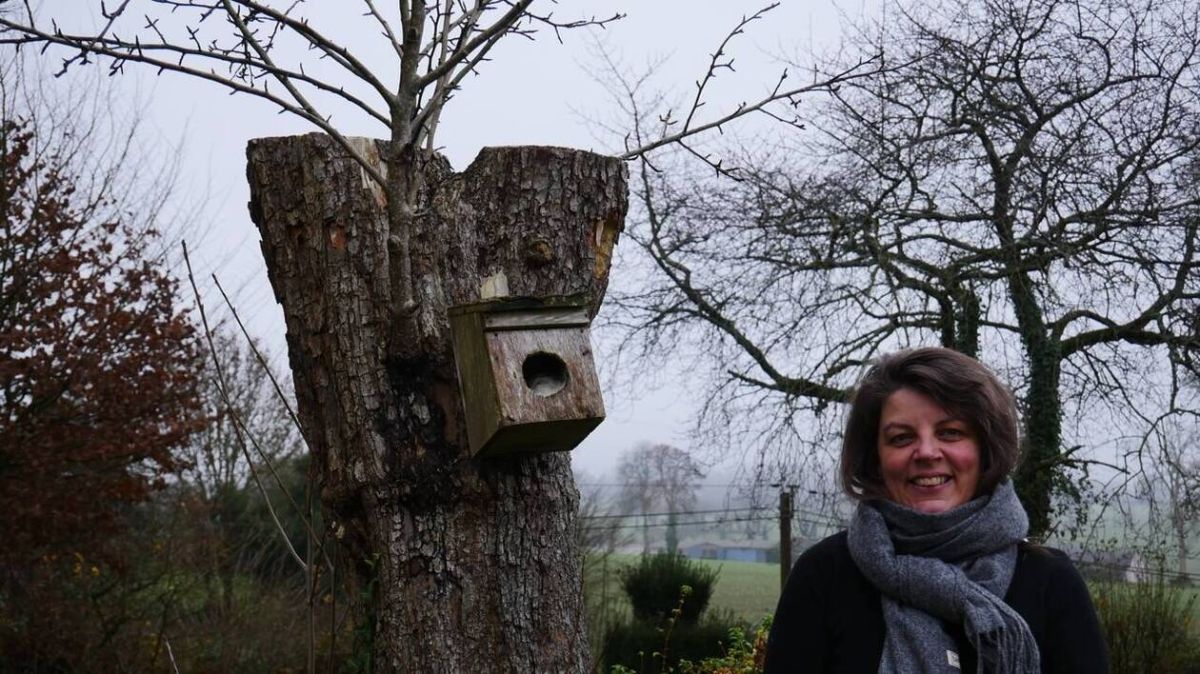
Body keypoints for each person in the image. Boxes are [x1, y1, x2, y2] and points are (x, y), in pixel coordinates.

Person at [764, 347, 1107, 673]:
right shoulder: (825, 576)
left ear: (985, 449)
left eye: (951, 432)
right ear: (875, 458)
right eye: (901, 438)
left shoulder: (1050, 582)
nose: (927, 452)